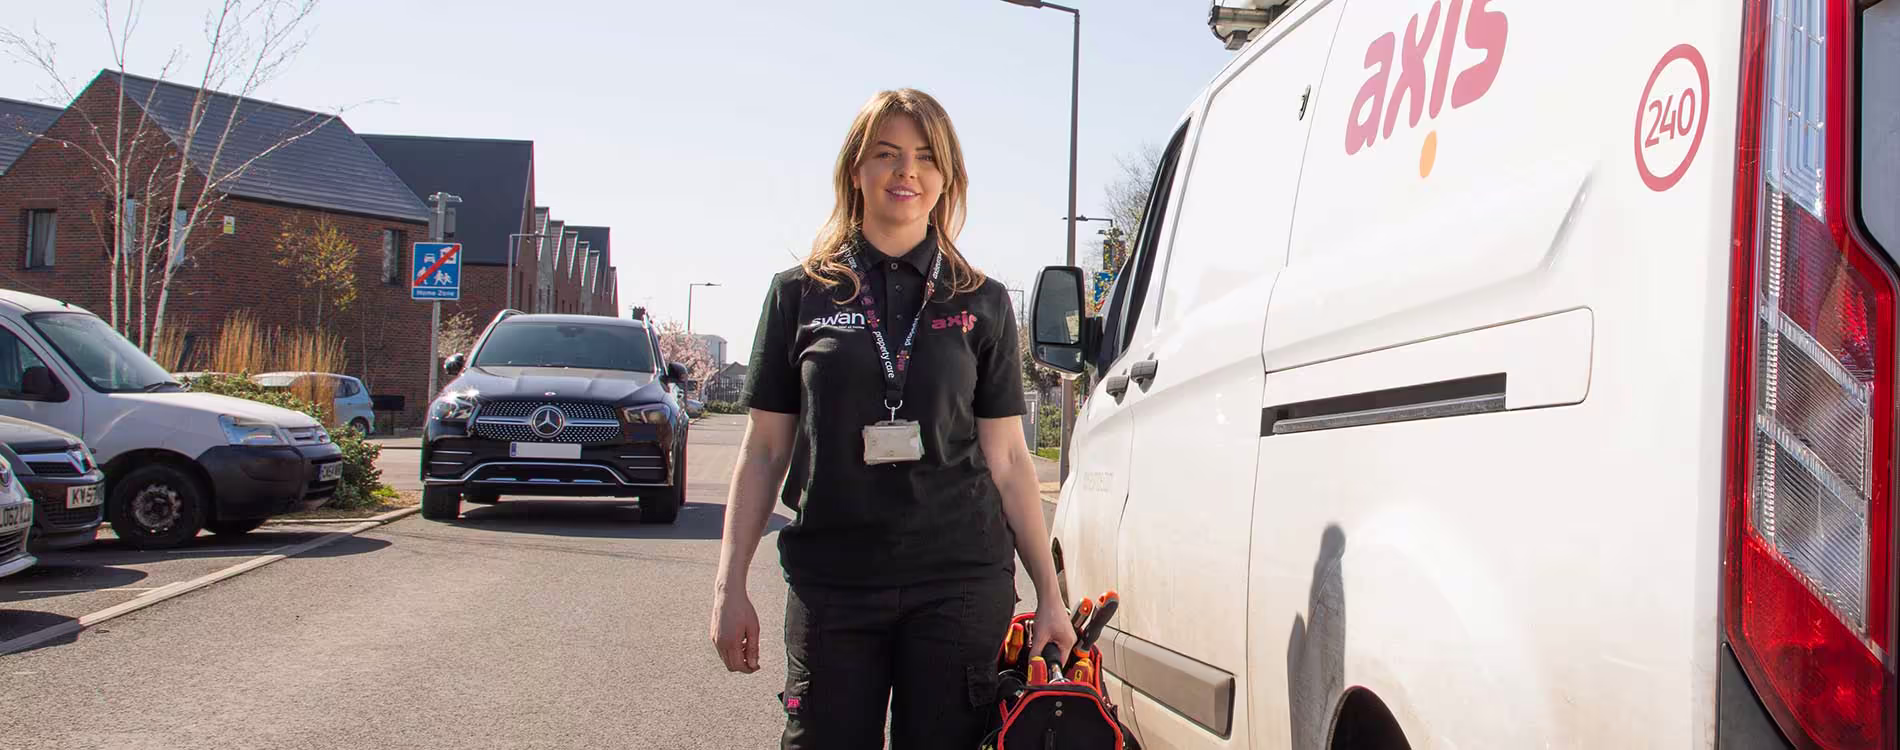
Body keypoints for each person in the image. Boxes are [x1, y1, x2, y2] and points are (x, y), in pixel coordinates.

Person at [710, 88, 1077, 749]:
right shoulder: (799, 294)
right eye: (887, 154)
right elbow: (763, 451)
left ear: (946, 178)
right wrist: (727, 585)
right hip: (834, 585)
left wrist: (1049, 595)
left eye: (925, 157)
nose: (907, 171)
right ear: (857, 170)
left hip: (958, 584)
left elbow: (1011, 460)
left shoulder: (983, 302)